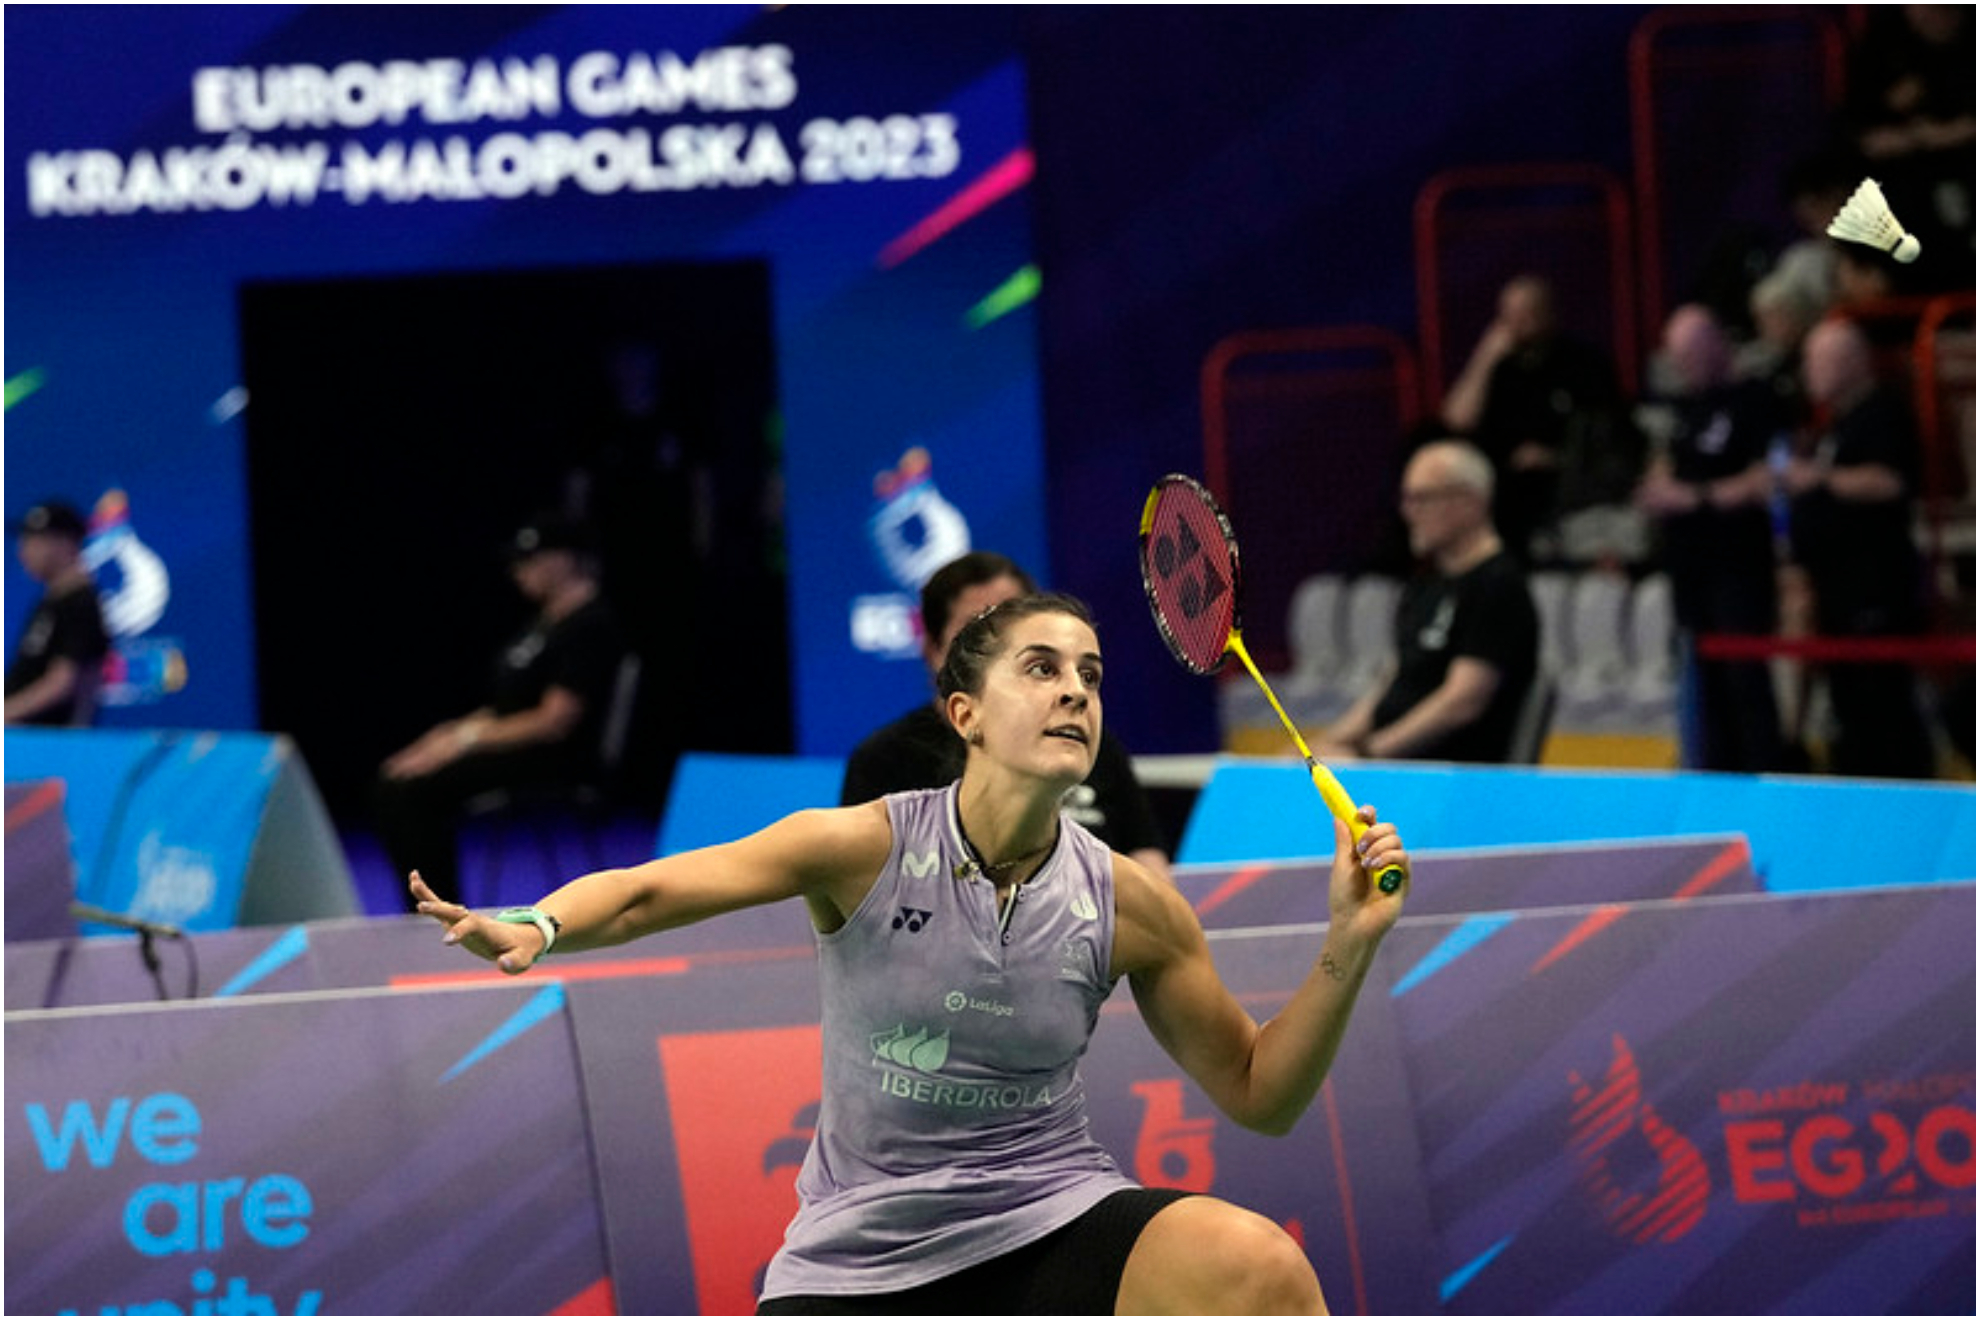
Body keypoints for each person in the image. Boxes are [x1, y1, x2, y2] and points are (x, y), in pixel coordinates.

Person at [412, 591, 1410, 1315]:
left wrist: (1347, 945)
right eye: (1042, 668)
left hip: (1049, 1215)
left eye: (1090, 677)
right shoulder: (864, 848)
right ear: (963, 714)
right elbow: (647, 893)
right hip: (863, 1256)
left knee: (1258, 1273)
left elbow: (1257, 1090)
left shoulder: (1130, 902)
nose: (1075, 693)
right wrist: (537, 927)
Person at [843, 551, 1173, 881]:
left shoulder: (1090, 748)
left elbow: (1150, 872)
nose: (1075, 693)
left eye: (1089, 675)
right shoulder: (882, 762)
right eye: (977, 632)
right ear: (933, 651)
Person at [374, 511, 625, 906]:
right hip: (517, 744)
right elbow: (503, 707)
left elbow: (554, 721)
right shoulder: (539, 625)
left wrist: (466, 742)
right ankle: (423, 908)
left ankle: (440, 911)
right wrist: (443, 737)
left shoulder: (590, 624)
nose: (517, 571)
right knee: (393, 780)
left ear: (562, 560)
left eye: (529, 561)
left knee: (416, 790)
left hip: (557, 757)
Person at [1635, 304, 1794, 774]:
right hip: (1691, 566)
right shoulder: (1689, 407)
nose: (1682, 368)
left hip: (1738, 564)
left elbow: (1769, 478)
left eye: (1688, 356)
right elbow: (1668, 464)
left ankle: (1765, 777)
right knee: (1703, 686)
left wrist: (1693, 497)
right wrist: (1659, 485)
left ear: (1715, 345)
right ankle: (1713, 776)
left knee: (1744, 680)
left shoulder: (1756, 399)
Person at [1315, 441, 1540, 763]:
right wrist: (1319, 749)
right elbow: (1395, 683)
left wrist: (1366, 754)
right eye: (1406, 498)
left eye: (1422, 498)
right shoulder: (1426, 583)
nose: (1409, 512)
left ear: (1469, 501)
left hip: (1454, 779)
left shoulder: (1499, 585)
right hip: (1396, 767)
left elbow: (1462, 702)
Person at [1783, 316, 1938, 779]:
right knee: (1848, 707)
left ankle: (1907, 797)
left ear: (1850, 361)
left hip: (1875, 589)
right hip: (1835, 592)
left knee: (1884, 704)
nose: (1808, 371)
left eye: (1817, 360)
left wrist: (1819, 479)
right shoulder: (1833, 424)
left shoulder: (1883, 411)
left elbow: (1890, 482)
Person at [1438, 274, 1636, 564]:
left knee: (1515, 498)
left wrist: (1554, 457)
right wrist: (1484, 358)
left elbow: (1612, 437)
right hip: (1499, 476)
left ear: (1549, 314)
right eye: (1509, 315)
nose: (1518, 324)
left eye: (1527, 313)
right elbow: (1455, 422)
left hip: (1564, 476)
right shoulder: (1499, 368)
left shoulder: (1583, 365)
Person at [5, 501, 109, 727]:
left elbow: (62, 683)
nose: (23, 551)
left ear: (65, 544)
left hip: (46, 747)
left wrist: (5, 714)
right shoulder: (50, 603)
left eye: (36, 541)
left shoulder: (81, 605)